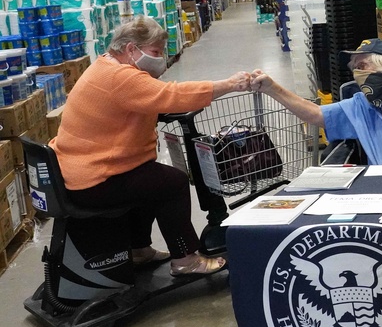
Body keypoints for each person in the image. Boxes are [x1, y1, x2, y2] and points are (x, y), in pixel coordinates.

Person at [50, 16, 251, 275]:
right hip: (93, 178)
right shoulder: (120, 77)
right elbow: (169, 95)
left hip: (79, 169)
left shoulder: (104, 66)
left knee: (147, 176)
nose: (160, 58)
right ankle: (186, 260)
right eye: (155, 52)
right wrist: (229, 85)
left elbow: (140, 102)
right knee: (173, 183)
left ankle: (138, 250)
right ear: (131, 49)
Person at [249, 38, 382, 165]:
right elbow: (315, 114)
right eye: (354, 68)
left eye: (362, 66)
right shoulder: (360, 104)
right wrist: (272, 88)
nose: (357, 74)